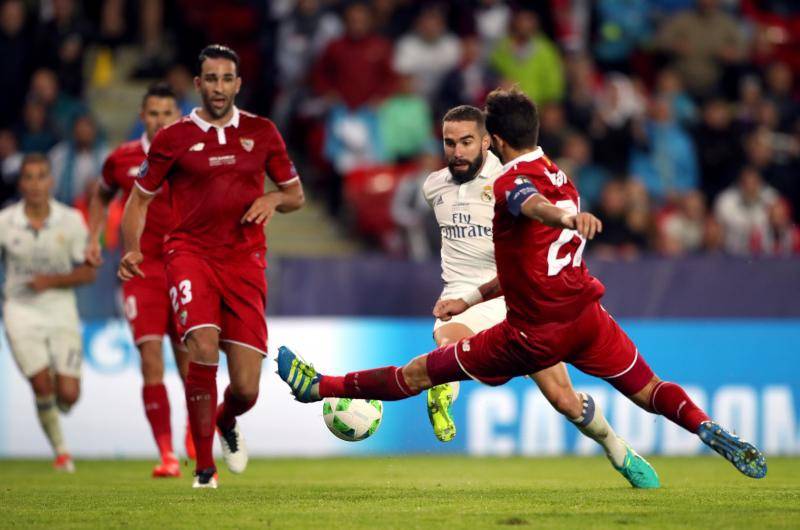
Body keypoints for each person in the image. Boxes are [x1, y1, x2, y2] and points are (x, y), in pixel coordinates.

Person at [277, 88, 767, 482]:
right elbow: (525, 250)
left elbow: (529, 203)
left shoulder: (512, 183)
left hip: (532, 332)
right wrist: (470, 296)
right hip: (586, 316)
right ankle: (703, 426)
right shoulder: (562, 175)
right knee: (651, 389)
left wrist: (562, 218)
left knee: (420, 373)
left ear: (493, 139)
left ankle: (319, 386)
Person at [421, 105, 658, 488]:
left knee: (565, 400)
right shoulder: (433, 186)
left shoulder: (510, 179)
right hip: (462, 299)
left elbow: (541, 210)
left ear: (488, 141)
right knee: (447, 340)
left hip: (517, 297)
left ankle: (619, 451)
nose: (457, 151)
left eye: (466, 142)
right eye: (450, 143)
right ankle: (443, 389)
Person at [118, 44, 304, 489]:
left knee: (245, 389)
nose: (219, 88)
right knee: (200, 346)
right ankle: (204, 467)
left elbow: (296, 195)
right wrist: (132, 249)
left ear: (237, 84)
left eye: (227, 79)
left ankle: (226, 419)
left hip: (244, 261)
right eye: (211, 79)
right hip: (189, 255)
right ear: (198, 85)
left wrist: (273, 197)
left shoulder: (262, 132)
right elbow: (138, 199)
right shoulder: (173, 138)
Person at [86, 82, 191, 478]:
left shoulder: (192, 156)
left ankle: (194, 437)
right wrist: (93, 236)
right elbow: (101, 194)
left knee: (189, 362)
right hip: (141, 272)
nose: (160, 120)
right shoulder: (122, 159)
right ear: (141, 116)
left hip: (185, 269)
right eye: (153, 113)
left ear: (177, 116)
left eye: (167, 113)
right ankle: (166, 455)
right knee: (150, 358)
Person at [0, 153, 96, 472]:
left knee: (68, 394)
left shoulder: (70, 220)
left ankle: (57, 399)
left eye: (41, 176)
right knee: (41, 385)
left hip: (60, 309)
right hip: (20, 310)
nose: (35, 184)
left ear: (51, 181)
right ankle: (61, 452)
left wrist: (50, 281)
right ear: (21, 182)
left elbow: (88, 272)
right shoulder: (5, 222)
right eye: (29, 177)